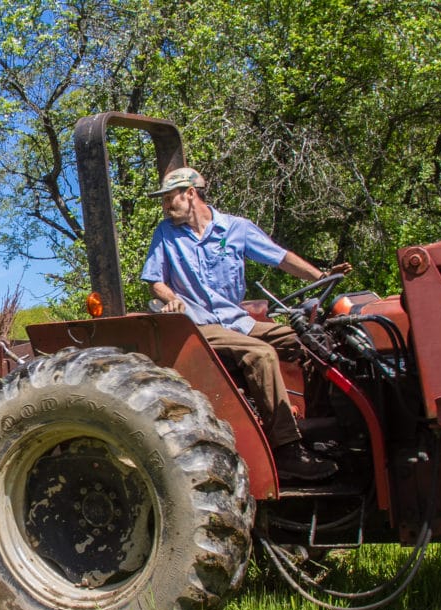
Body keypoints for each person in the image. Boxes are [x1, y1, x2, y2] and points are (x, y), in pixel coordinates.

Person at [141, 167, 351, 480]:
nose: (165, 206)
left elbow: (280, 258)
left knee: (310, 342)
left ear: (190, 193)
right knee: (261, 354)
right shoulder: (166, 233)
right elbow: (155, 281)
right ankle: (287, 450)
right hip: (199, 326)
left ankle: (317, 428)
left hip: (238, 321)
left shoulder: (236, 228)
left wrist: (320, 276)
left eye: (170, 198)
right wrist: (172, 299)